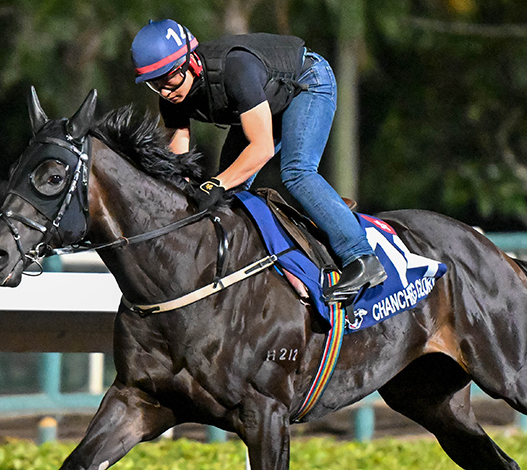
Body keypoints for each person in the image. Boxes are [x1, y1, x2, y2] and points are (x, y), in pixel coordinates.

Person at [131, 19, 386, 304]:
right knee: (230, 193)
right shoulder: (172, 98)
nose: (165, 91)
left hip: (306, 84)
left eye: (169, 79)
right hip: (264, 100)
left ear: (192, 63)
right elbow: (178, 159)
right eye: (156, 84)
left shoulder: (234, 69)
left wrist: (216, 182)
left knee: (296, 171)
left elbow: (262, 147)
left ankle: (361, 257)